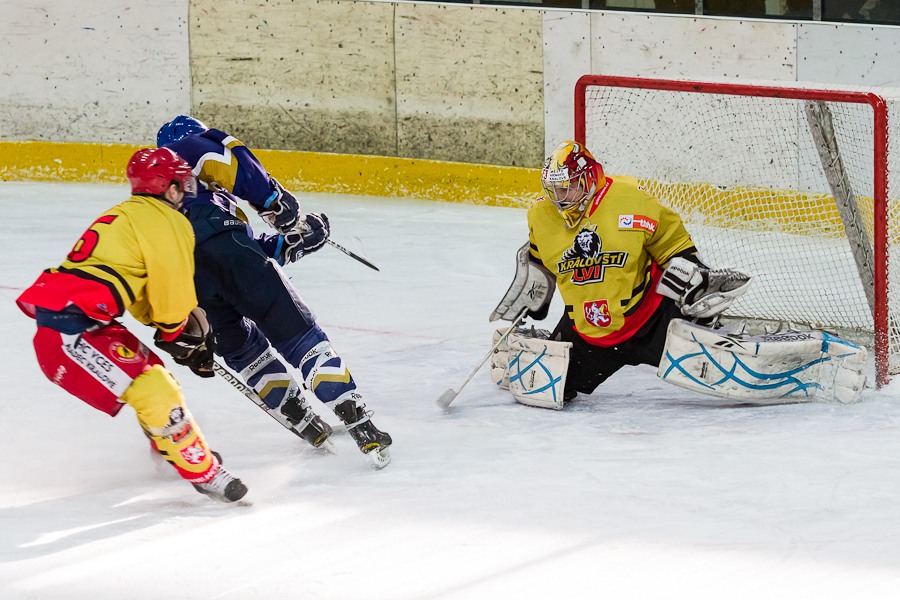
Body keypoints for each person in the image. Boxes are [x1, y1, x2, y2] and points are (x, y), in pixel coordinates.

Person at [155, 116, 392, 467]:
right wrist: (274, 201)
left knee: (244, 350)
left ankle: (305, 421)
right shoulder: (186, 149)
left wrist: (295, 241)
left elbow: (230, 248)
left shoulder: (157, 201)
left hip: (189, 281)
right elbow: (228, 167)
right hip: (230, 252)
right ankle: (358, 421)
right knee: (299, 337)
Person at [15, 147, 248, 502]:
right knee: (155, 389)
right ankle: (204, 473)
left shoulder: (126, 213)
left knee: (152, 375)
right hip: (70, 334)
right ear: (168, 187)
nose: (186, 191)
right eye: (181, 184)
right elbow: (171, 289)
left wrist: (170, 329)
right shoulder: (168, 221)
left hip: (79, 323)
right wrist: (176, 331)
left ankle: (170, 448)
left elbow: (139, 292)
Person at [492, 140, 749, 403]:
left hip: (652, 323)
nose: (560, 197)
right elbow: (539, 263)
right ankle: (536, 345)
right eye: (554, 188)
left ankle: (713, 333)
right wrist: (532, 299)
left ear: (588, 178)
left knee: (718, 368)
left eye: (568, 186)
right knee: (546, 389)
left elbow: (674, 245)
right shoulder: (541, 215)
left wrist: (697, 280)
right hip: (588, 335)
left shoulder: (632, 200)